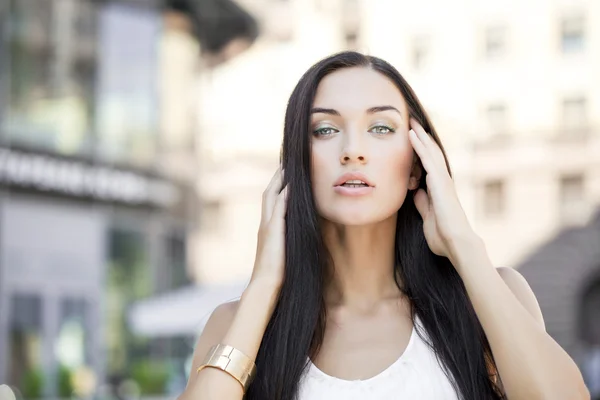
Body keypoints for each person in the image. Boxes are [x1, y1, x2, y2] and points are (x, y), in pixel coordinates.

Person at [178, 51, 590, 399]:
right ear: (297, 166)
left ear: (417, 166)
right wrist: (265, 285)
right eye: (325, 129)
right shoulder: (235, 323)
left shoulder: (489, 300)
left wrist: (465, 246)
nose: (353, 150)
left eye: (380, 128)